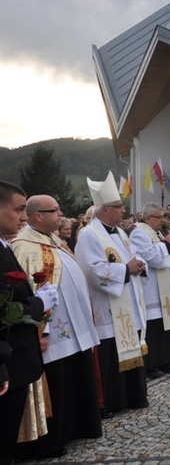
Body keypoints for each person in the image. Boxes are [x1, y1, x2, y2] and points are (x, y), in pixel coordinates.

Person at [12, 195, 102, 460]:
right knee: (58, 380)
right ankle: (51, 439)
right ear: (38, 215)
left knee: (74, 375)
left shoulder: (55, 241)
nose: (61, 214)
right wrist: (41, 329)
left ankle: (78, 426)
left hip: (74, 327)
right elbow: (30, 291)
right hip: (52, 332)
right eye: (55, 211)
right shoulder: (24, 247)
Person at [74, 172, 148, 420]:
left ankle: (132, 396)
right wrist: (125, 270)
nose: (123, 211)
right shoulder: (89, 235)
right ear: (104, 210)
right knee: (109, 354)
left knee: (129, 347)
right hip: (107, 305)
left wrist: (140, 265)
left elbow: (135, 255)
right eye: (118, 207)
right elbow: (91, 270)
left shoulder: (120, 232)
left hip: (127, 300)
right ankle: (112, 401)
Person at [0, 182, 59, 465]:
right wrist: (40, 303)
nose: (23, 217)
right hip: (8, 359)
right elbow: (4, 309)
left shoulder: (5, 245)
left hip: (18, 358)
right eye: (19, 209)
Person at [129, 202, 170, 380]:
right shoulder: (139, 232)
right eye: (158, 217)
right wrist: (167, 245)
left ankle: (165, 360)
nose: (162, 220)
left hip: (164, 288)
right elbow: (153, 258)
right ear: (147, 218)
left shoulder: (157, 231)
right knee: (154, 329)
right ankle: (151, 364)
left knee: (166, 326)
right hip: (152, 289)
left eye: (162, 217)